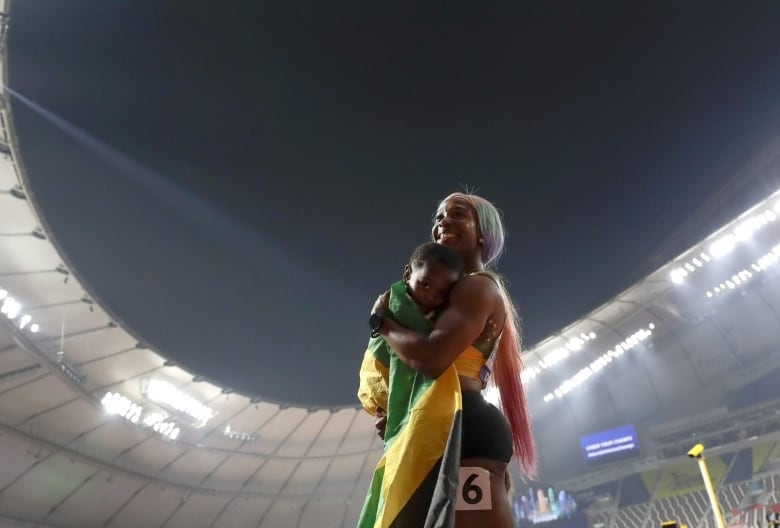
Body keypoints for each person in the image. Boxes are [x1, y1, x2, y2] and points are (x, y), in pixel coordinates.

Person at [358, 192, 536, 528]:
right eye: (439, 216)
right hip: (444, 427)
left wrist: (381, 322)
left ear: (482, 233)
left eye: (457, 214)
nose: (443, 222)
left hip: (464, 428)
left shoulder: (478, 288)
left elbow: (431, 359)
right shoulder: (448, 296)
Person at [357, 241, 466, 436]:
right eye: (425, 285)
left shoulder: (435, 317)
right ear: (407, 274)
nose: (431, 297)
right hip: (385, 394)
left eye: (442, 294)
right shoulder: (397, 306)